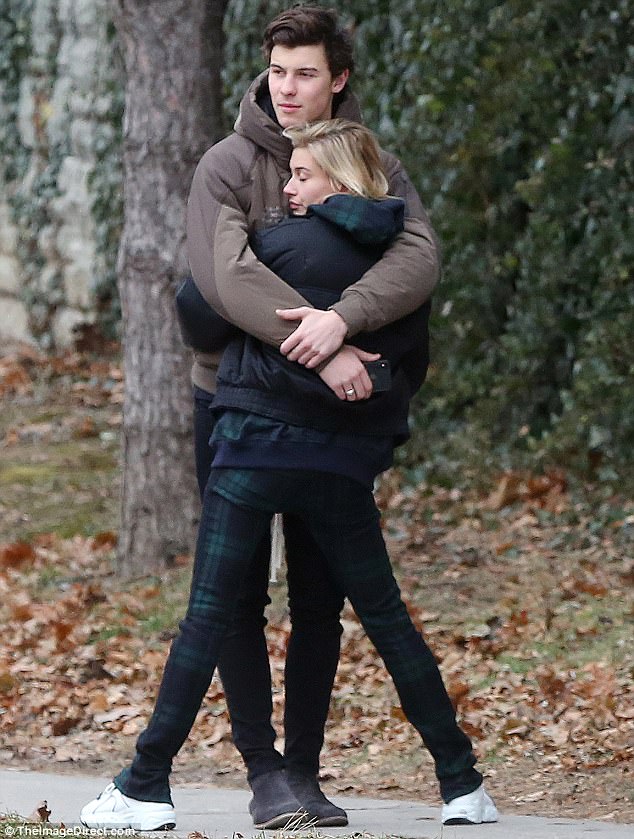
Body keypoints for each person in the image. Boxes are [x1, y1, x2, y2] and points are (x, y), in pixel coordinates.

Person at [80, 119, 497, 833]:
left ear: (338, 178)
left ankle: (145, 783)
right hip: (338, 468)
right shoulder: (396, 266)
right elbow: (406, 361)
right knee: (386, 618)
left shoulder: (274, 245)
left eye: (302, 176)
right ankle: (462, 783)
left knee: (207, 617)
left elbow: (200, 315)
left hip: (251, 452)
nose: (290, 189)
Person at [182, 5, 440, 829]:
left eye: (305, 73)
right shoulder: (225, 165)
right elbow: (222, 275)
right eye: (278, 72)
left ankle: (305, 772)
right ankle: (262, 773)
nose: (287, 89)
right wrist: (323, 342)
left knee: (321, 601)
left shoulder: (373, 162)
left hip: (337, 419)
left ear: (339, 79)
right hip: (233, 400)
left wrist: (348, 316)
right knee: (237, 594)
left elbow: (418, 256)